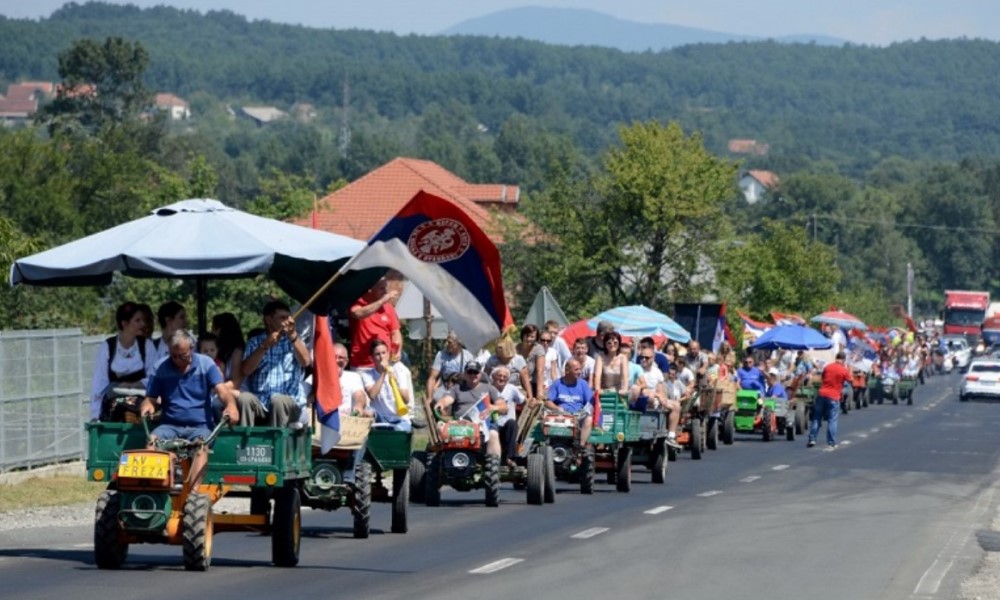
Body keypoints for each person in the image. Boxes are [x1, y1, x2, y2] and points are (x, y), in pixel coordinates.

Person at [140, 331, 238, 488]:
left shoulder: (206, 364)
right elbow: (150, 398)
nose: (178, 360)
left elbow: (223, 391)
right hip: (170, 425)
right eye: (174, 356)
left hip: (199, 426)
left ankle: (194, 494)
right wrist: (147, 406)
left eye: (183, 355)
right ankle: (156, 489)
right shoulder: (160, 368)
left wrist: (231, 406)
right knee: (152, 441)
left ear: (191, 348)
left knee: (200, 446)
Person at [238, 300, 310, 427]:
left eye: (288, 317)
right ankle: (247, 444)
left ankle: (277, 444)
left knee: (277, 400)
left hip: (289, 402)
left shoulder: (294, 341)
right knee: (244, 398)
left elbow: (306, 362)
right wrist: (264, 346)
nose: (287, 321)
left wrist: (293, 335)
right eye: (282, 317)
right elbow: (246, 370)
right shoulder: (255, 342)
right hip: (260, 402)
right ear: (268, 320)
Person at [89, 301, 158, 421]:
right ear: (125, 323)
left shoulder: (147, 346)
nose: (143, 324)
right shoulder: (108, 347)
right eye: (137, 320)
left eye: (143, 320)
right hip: (113, 407)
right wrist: (95, 416)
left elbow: (155, 376)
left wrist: (135, 384)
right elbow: (99, 383)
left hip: (141, 405)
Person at [433, 361, 502, 457]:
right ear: (465, 374)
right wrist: (441, 404)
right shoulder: (457, 389)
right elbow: (447, 399)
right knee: (440, 426)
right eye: (470, 372)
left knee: (493, 434)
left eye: (475, 372)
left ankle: (493, 465)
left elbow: (503, 406)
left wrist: (493, 407)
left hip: (482, 423)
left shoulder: (489, 388)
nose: (473, 375)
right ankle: (443, 457)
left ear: (480, 374)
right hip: (460, 423)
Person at [631, 347, 683, 448]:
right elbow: (641, 389)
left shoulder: (657, 372)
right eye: (642, 357)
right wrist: (657, 395)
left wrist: (662, 398)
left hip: (655, 399)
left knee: (676, 405)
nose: (644, 360)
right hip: (642, 399)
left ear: (653, 358)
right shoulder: (637, 369)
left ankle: (671, 436)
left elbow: (661, 389)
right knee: (649, 396)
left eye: (647, 357)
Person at [359, 339, 414, 431]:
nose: (381, 357)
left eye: (384, 353)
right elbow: (372, 395)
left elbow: (406, 400)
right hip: (380, 418)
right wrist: (384, 373)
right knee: (367, 413)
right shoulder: (367, 374)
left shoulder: (399, 371)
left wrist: (395, 383)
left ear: (388, 354)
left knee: (402, 430)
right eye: (377, 354)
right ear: (372, 357)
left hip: (400, 418)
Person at [349, 278, 401, 368]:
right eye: (381, 288)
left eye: (386, 288)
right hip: (362, 364)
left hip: (384, 363)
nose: (385, 292)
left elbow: (395, 332)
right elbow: (357, 313)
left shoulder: (388, 308)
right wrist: (382, 301)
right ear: (370, 289)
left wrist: (397, 351)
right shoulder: (359, 303)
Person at [546, 359, 594, 447]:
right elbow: (548, 401)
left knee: (589, 419)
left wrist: (585, 412)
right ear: (567, 370)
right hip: (562, 415)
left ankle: (581, 446)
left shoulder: (583, 384)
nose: (579, 372)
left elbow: (591, 402)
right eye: (576, 370)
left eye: (580, 369)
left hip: (579, 415)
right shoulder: (557, 383)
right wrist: (557, 408)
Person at [809, 351, 851, 448]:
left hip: (822, 394)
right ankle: (831, 442)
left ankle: (812, 439)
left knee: (817, 418)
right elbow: (850, 380)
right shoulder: (843, 370)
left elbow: (823, 377)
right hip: (834, 397)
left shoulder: (828, 367)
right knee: (832, 420)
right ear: (844, 360)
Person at [490, 366, 527, 466]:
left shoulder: (511, 388)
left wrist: (531, 403)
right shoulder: (488, 388)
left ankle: (510, 458)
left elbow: (523, 400)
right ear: (493, 377)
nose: (501, 379)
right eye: (499, 376)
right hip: (490, 425)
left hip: (505, 424)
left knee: (512, 424)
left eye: (505, 377)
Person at [425, 330, 475, 400]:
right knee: (437, 398)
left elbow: (473, 377)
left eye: (449, 342)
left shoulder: (468, 356)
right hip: (445, 388)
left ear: (458, 343)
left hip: (462, 387)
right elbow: (432, 378)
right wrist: (429, 398)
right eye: (446, 341)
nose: (446, 344)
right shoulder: (441, 355)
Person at [211, 312, 246, 390]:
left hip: (236, 391)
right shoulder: (219, 351)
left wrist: (213, 389)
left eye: (214, 328)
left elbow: (236, 382)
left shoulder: (238, 351)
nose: (212, 332)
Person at [516, 324, 546, 400]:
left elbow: (540, 371)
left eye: (532, 337)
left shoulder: (538, 349)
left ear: (536, 338)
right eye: (527, 336)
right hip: (517, 384)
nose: (529, 339)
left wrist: (540, 392)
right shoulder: (515, 348)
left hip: (533, 383)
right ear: (522, 336)